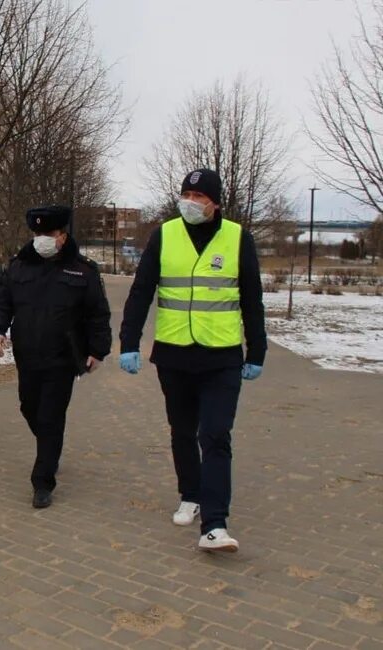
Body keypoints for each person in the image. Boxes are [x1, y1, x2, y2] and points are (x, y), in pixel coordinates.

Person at [119, 168, 267, 552]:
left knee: (215, 435)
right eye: (186, 194)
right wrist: (129, 341)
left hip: (221, 357)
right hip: (174, 353)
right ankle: (191, 494)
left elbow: (252, 300)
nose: (190, 201)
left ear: (215, 203)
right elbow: (140, 292)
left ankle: (215, 524)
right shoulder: (164, 235)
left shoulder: (238, 238)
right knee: (182, 431)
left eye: (199, 197)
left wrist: (258, 350)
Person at [0, 205, 112, 508]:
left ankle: (43, 480)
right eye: (38, 233)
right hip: (27, 354)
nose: (42, 238)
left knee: (50, 416)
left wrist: (97, 350)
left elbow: (98, 313)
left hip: (63, 357)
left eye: (49, 233)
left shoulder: (82, 269)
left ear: (62, 235)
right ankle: (50, 447)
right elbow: (1, 302)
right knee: (29, 408)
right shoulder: (19, 266)